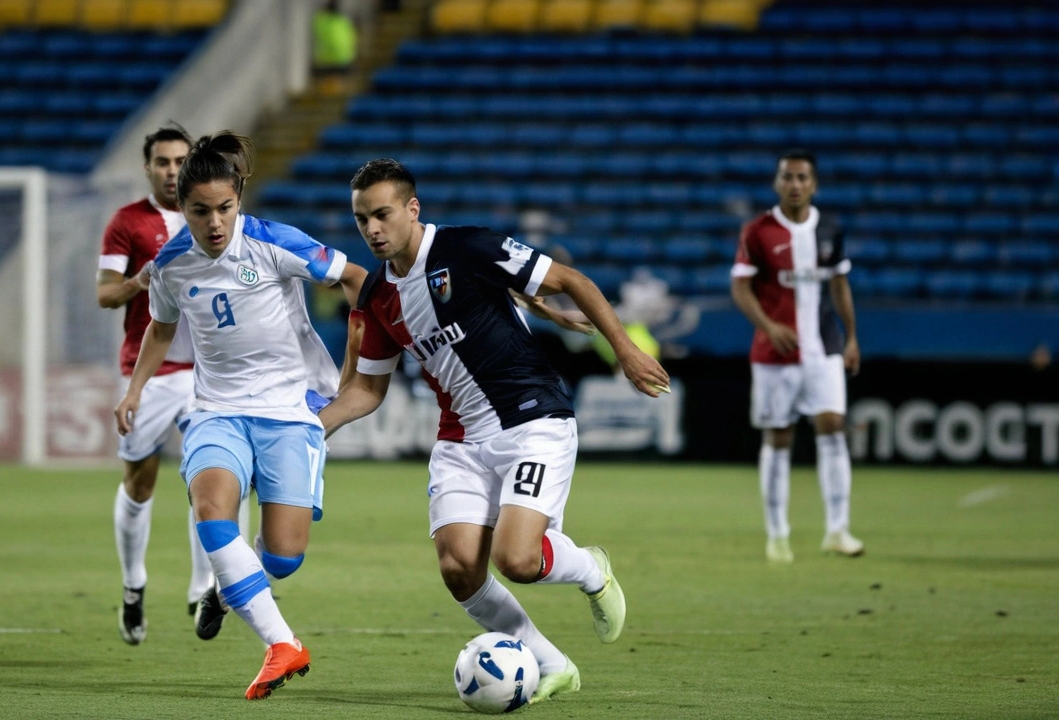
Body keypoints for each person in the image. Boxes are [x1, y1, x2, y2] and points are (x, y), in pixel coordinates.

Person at [317, 159, 671, 705]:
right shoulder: (376, 299)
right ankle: (554, 666)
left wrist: (626, 351)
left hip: (532, 421)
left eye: (382, 214)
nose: (372, 229)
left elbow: (570, 280)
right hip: (460, 441)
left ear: (412, 209)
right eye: (362, 219)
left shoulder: (467, 248)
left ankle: (590, 568)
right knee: (459, 567)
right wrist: (313, 430)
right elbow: (366, 390)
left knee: (518, 560)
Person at [114, 131, 366, 700]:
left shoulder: (276, 243)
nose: (215, 223)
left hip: (288, 410)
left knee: (283, 555)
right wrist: (134, 390)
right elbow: (160, 327)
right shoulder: (171, 264)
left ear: (239, 201)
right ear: (182, 209)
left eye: (225, 208)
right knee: (211, 509)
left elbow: (356, 279)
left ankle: (226, 592)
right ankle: (282, 644)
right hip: (216, 411)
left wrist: (364, 342)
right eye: (200, 211)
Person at [97, 125, 227, 646]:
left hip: (209, 376)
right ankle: (133, 588)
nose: (172, 170)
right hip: (148, 371)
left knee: (215, 481)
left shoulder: (216, 213)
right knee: (140, 483)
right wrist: (138, 281)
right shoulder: (127, 223)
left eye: (180, 161)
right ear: (148, 167)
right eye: (163, 162)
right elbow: (106, 294)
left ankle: (204, 588)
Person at [730, 148, 863, 563]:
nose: (795, 184)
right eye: (787, 176)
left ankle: (838, 530)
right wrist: (769, 327)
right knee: (779, 436)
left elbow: (839, 285)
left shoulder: (830, 230)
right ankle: (777, 534)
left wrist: (852, 337)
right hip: (775, 353)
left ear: (814, 184)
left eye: (802, 178)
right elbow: (740, 288)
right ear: (777, 182)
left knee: (833, 426)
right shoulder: (758, 231)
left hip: (824, 346)